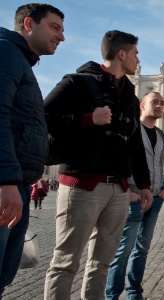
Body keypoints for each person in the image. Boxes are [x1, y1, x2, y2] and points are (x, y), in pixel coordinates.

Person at [43, 30, 153, 299]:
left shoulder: (129, 93)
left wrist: (145, 183)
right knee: (66, 262)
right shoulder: (77, 82)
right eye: (136, 54)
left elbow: (134, 141)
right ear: (122, 54)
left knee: (101, 263)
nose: (138, 59)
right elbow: (43, 115)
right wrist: (87, 118)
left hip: (117, 189)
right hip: (82, 184)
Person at [0, 4, 64, 295]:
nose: (61, 37)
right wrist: (6, 180)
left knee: (3, 274)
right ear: (28, 23)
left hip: (19, 183)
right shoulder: (6, 53)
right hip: (8, 185)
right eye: (55, 27)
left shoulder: (20, 60)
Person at [105, 92, 164, 300]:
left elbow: (159, 164)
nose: (159, 106)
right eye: (154, 102)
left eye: (162, 103)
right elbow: (118, 160)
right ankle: (112, 295)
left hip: (155, 197)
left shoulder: (160, 134)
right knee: (123, 250)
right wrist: (128, 192)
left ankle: (134, 292)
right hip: (132, 196)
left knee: (142, 249)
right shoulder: (130, 130)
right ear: (141, 106)